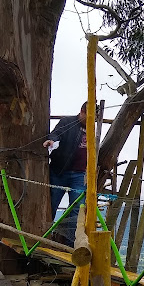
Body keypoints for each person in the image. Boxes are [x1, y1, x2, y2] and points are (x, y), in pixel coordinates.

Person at [43, 102, 91, 245]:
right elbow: (56, 134)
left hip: (79, 175)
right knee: (50, 206)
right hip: (60, 171)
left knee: (77, 210)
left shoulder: (93, 128)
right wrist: (52, 141)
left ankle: (72, 244)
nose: (91, 121)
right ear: (82, 111)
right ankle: (45, 238)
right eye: (89, 117)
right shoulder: (67, 122)